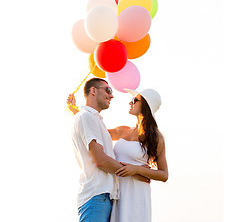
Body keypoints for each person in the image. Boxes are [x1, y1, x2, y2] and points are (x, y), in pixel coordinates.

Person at [68, 83, 168, 222]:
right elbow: (94, 130)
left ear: (146, 106)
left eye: (135, 100)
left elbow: (164, 174)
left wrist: (137, 170)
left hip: (137, 190)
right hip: (117, 190)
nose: (130, 102)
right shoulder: (123, 130)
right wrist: (76, 111)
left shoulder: (156, 137)